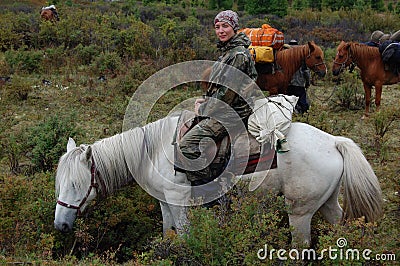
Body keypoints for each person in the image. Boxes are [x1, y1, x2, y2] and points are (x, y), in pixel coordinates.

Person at [175, 10, 258, 199]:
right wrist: (207, 99)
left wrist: (203, 109)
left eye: (225, 26)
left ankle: (209, 194)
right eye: (217, 27)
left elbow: (228, 94)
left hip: (233, 113)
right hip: (227, 107)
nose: (221, 31)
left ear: (234, 28)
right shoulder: (228, 51)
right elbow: (222, 86)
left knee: (187, 146)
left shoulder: (237, 55)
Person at [286, 40, 311, 114]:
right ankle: (304, 114)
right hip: (299, 83)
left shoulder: (285, 55)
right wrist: (308, 82)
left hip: (288, 84)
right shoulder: (302, 57)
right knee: (302, 101)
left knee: (289, 101)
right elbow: (306, 72)